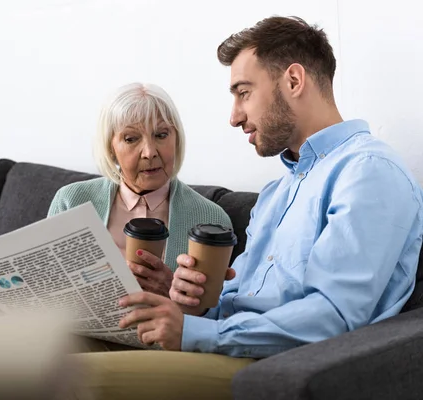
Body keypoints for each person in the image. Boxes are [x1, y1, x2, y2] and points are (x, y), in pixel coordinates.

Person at [71, 16, 423, 399]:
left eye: (243, 92)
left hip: (270, 365)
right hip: (227, 345)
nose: (234, 116)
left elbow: (334, 315)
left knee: (64, 377)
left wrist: (196, 331)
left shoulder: (367, 172)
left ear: (293, 81)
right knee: (37, 354)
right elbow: (236, 301)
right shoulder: (276, 193)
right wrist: (188, 298)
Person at [48, 82, 233, 297]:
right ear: (111, 147)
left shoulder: (211, 219)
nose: (149, 152)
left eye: (161, 135)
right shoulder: (70, 201)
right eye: (131, 139)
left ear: (177, 139)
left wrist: (171, 292)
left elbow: (212, 314)